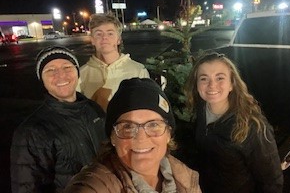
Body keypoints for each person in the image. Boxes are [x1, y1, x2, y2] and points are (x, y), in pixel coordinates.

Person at [64, 78, 201, 193]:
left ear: (168, 134)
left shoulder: (185, 177)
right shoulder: (95, 185)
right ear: (112, 137)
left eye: (153, 125)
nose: (141, 138)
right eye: (128, 127)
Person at [10, 46, 106, 192]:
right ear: (41, 79)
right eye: (50, 70)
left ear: (77, 72)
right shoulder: (31, 131)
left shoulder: (94, 110)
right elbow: (26, 187)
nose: (61, 75)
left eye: (67, 67)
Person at [185, 52, 283, 193]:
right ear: (197, 84)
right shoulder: (200, 109)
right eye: (204, 78)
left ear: (232, 84)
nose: (212, 85)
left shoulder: (252, 127)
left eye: (220, 78)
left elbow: (271, 181)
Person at [77, 13, 150, 111]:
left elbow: (146, 107)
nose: (104, 38)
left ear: (118, 39)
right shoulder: (80, 75)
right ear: (92, 40)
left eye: (110, 33)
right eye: (98, 34)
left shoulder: (138, 71)